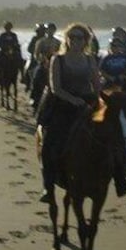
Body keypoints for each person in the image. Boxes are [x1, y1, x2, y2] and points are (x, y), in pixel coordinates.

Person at [38, 23, 102, 203]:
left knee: (114, 134)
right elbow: (55, 87)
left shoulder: (90, 60)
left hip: (86, 103)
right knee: (49, 143)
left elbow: (96, 85)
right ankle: (47, 186)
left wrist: (97, 101)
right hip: (63, 104)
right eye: (71, 37)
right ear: (66, 39)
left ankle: (122, 176)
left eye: (79, 38)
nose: (75, 40)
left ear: (85, 41)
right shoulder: (58, 60)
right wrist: (74, 100)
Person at [99, 37, 126, 193]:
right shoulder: (106, 58)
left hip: (122, 90)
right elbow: (100, 70)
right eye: (113, 45)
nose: (115, 48)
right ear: (110, 47)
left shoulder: (124, 58)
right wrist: (110, 77)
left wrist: (125, 74)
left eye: (118, 46)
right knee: (99, 113)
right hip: (108, 89)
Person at [31, 23, 61, 114]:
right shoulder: (41, 41)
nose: (50, 31)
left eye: (52, 29)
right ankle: (33, 97)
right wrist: (42, 60)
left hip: (55, 63)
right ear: (46, 31)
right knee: (36, 76)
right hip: (44, 63)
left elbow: (61, 54)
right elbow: (36, 54)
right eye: (48, 29)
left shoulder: (58, 42)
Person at [24, 22, 45, 92]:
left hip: (45, 58)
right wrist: (35, 52)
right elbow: (29, 48)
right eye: (40, 31)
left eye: (42, 31)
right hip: (34, 58)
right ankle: (28, 84)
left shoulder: (46, 39)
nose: (41, 32)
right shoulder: (34, 39)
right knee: (27, 69)